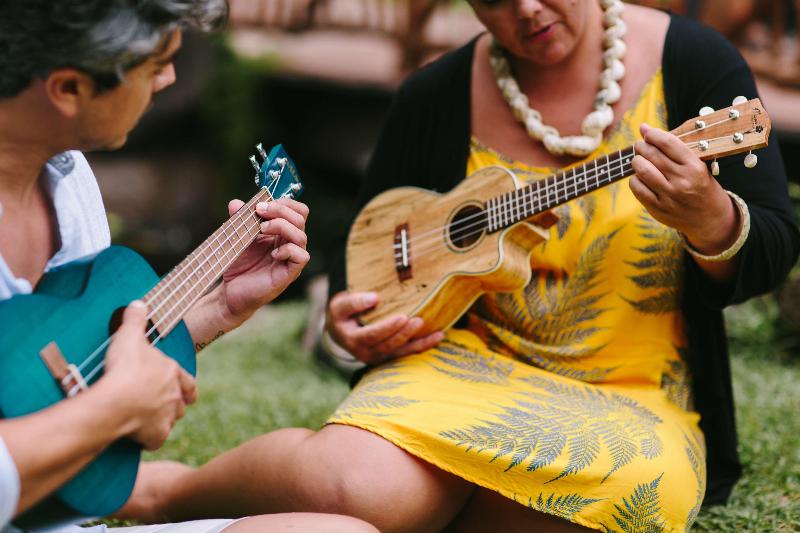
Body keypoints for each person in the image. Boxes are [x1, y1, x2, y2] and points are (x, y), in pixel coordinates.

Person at [119, 1, 800, 532]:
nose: (527, 10)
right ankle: (169, 489)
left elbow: (770, 244)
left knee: (634, 496)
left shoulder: (695, 64)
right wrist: (352, 322)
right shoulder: (434, 95)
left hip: (634, 394)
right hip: (461, 366)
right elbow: (374, 247)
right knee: (354, 488)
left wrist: (710, 215)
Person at [0, 1, 378, 532]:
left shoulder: (67, 179)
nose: (171, 79)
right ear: (68, 89)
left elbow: (63, 370)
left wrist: (214, 310)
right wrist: (112, 412)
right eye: (155, 65)